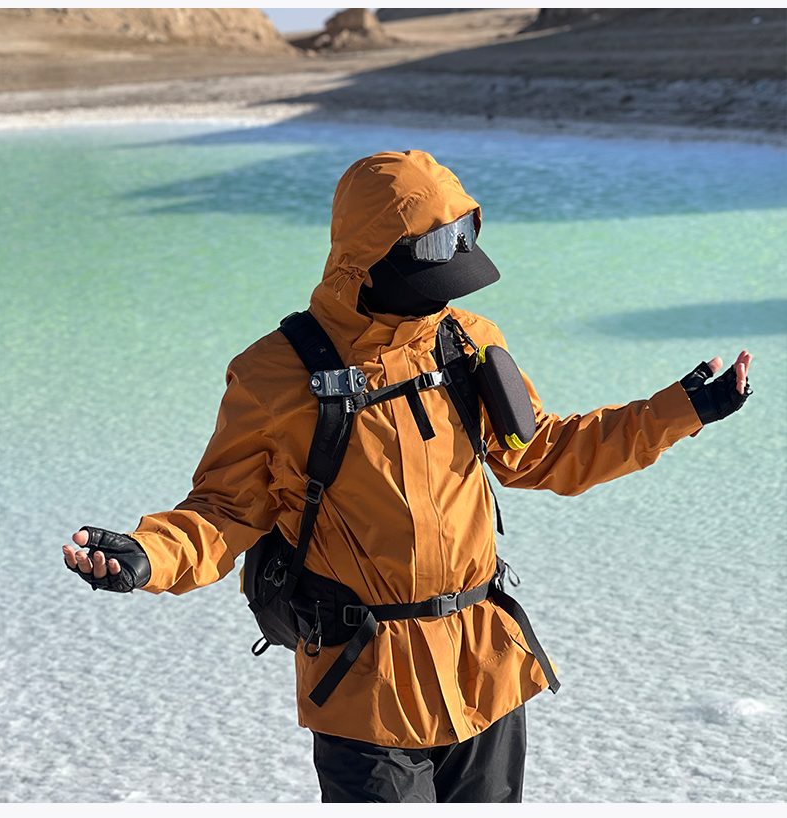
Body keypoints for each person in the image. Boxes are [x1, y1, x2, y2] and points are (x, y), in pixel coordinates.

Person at [62, 150, 752, 803]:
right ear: (365, 263)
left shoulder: (469, 341)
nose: (442, 298)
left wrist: (680, 411)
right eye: (428, 276)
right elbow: (224, 511)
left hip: (482, 670)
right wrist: (148, 555)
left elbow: (540, 452)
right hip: (365, 686)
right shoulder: (274, 373)